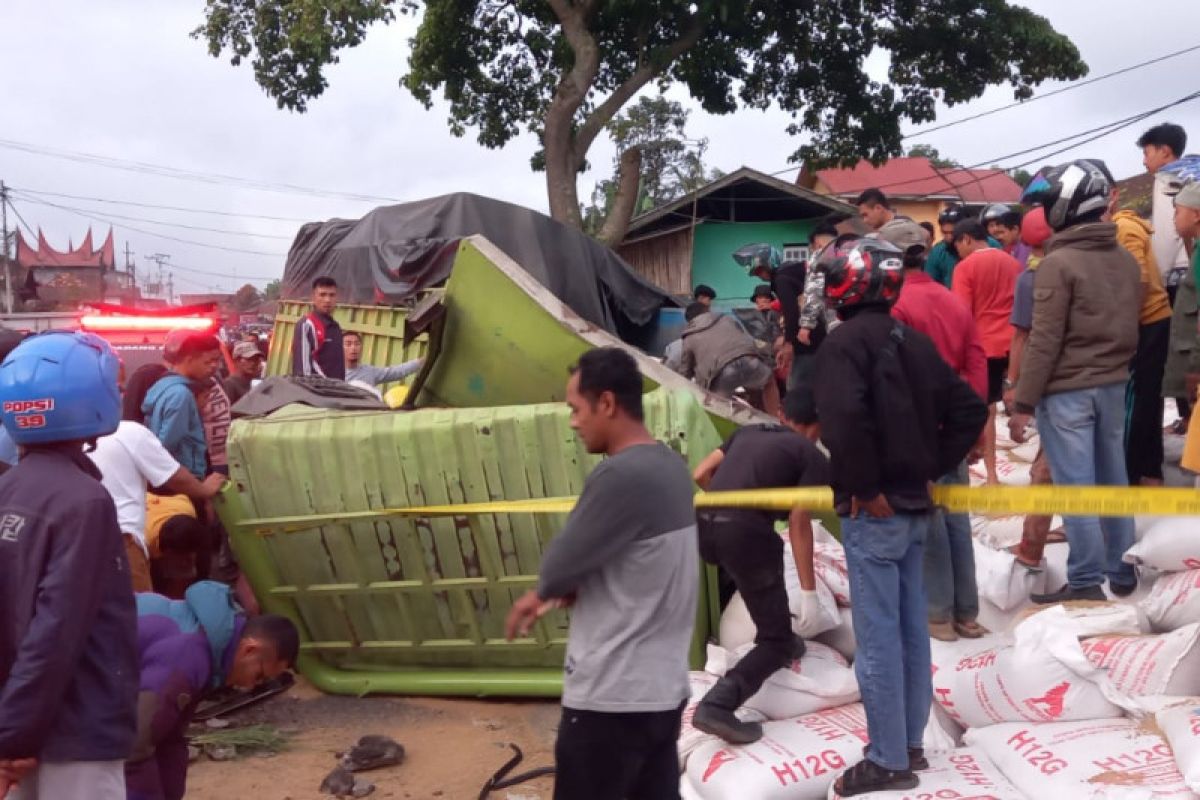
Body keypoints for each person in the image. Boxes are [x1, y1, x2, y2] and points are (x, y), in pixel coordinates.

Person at [812, 237, 986, 796]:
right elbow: (968, 409)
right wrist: (930, 468)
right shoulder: (912, 340)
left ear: (848, 286)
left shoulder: (842, 347)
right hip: (915, 509)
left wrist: (866, 486)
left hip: (877, 513)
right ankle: (909, 743)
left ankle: (887, 759)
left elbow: (844, 423)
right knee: (912, 632)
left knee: (880, 640)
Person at [505, 347, 698, 800]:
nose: (574, 422)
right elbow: (639, 564)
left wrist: (553, 589)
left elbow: (556, 570)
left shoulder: (620, 476)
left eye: (576, 408)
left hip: (612, 698)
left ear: (607, 403)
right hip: (663, 693)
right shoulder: (671, 467)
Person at [0, 332, 138, 800]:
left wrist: (12, 730)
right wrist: (14, 735)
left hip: (22, 728)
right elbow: (57, 629)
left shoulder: (10, 490)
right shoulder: (85, 501)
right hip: (77, 729)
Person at [1010, 160, 1141, 603]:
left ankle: (1085, 581)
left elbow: (1044, 341)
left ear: (1066, 206)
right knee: (1113, 480)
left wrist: (1023, 402)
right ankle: (1122, 571)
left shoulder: (1057, 263)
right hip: (1113, 384)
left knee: (1077, 488)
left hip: (1067, 392)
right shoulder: (1124, 259)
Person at [688, 391, 829, 743]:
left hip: (704, 525)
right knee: (776, 641)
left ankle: (782, 634)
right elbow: (799, 522)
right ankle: (719, 705)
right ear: (818, 426)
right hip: (747, 534)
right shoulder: (810, 455)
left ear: (783, 416)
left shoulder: (747, 432)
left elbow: (702, 472)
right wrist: (809, 594)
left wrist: (727, 504)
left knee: (753, 584)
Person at [881, 218, 988, 642]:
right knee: (957, 518)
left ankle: (939, 614)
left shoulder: (896, 306)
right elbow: (976, 362)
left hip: (922, 428)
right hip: (957, 424)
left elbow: (902, 376)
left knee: (931, 519)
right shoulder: (951, 299)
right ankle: (967, 613)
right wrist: (975, 427)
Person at [125, 582, 298, 800]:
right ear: (249, 649)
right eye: (259, 676)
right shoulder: (189, 657)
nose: (250, 686)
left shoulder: (211, 649)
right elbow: (135, 745)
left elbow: (169, 739)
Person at [88, 422, 225, 592]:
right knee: (143, 608)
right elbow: (175, 477)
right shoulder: (130, 432)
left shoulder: (74, 438)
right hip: (121, 538)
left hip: (85, 535)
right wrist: (204, 490)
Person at [1003, 208, 1061, 568]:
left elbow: (1023, 336)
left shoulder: (1032, 279)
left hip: (1058, 386)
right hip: (1108, 381)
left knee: (1045, 471)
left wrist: (1015, 389)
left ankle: (1031, 549)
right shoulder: (1105, 263)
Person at [951, 218, 1021, 485]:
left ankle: (991, 476)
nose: (958, 252)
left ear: (967, 239)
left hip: (984, 346)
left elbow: (961, 315)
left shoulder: (965, 268)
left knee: (987, 413)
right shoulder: (1013, 263)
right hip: (1015, 344)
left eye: (958, 245)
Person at [1112, 189, 1172, 486]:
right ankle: (1150, 470)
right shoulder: (1125, 226)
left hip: (1146, 323)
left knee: (1136, 401)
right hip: (1152, 321)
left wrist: (1126, 328)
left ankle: (1132, 474)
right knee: (1148, 399)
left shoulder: (1123, 228)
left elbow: (1139, 280)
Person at [741, 245, 819, 418]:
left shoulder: (781, 279)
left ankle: (800, 426)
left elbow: (792, 312)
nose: (759, 275)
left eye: (760, 270)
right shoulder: (791, 272)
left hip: (805, 342)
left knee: (797, 387)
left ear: (768, 265)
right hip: (814, 335)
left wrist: (788, 344)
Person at [142, 331, 222, 480]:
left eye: (218, 361)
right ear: (190, 359)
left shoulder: (164, 386)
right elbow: (166, 445)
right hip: (184, 477)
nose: (215, 366)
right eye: (210, 361)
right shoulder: (181, 395)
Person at [678, 302, 780, 415]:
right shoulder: (726, 319)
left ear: (689, 321)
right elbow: (746, 339)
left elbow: (684, 374)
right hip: (748, 360)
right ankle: (775, 420)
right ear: (707, 311)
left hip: (722, 374)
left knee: (718, 411)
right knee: (768, 382)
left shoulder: (689, 338)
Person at [796, 222, 842, 347]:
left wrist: (806, 325)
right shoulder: (851, 251)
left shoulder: (821, 255)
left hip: (837, 321)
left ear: (816, 242)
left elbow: (815, 291)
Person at [291, 276, 345, 379]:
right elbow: (303, 371)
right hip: (316, 392)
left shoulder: (336, 327)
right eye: (322, 295)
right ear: (313, 297)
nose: (327, 300)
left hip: (337, 391)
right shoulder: (306, 325)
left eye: (332, 295)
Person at [343, 331, 423, 387]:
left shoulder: (369, 371)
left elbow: (395, 372)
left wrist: (420, 362)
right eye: (348, 344)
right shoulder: (333, 373)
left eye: (357, 344)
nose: (353, 348)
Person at [925, 205, 969, 288]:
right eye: (945, 233)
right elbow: (930, 284)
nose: (949, 237)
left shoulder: (987, 245)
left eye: (952, 232)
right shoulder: (937, 252)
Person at [981, 204, 1032, 269]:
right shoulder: (1008, 247)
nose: (999, 236)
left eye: (1002, 232)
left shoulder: (1024, 248)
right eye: (991, 225)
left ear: (1015, 229)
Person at [222, 341, 264, 405]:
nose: (253, 363)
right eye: (249, 359)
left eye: (256, 359)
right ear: (236, 361)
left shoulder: (257, 381)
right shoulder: (229, 384)